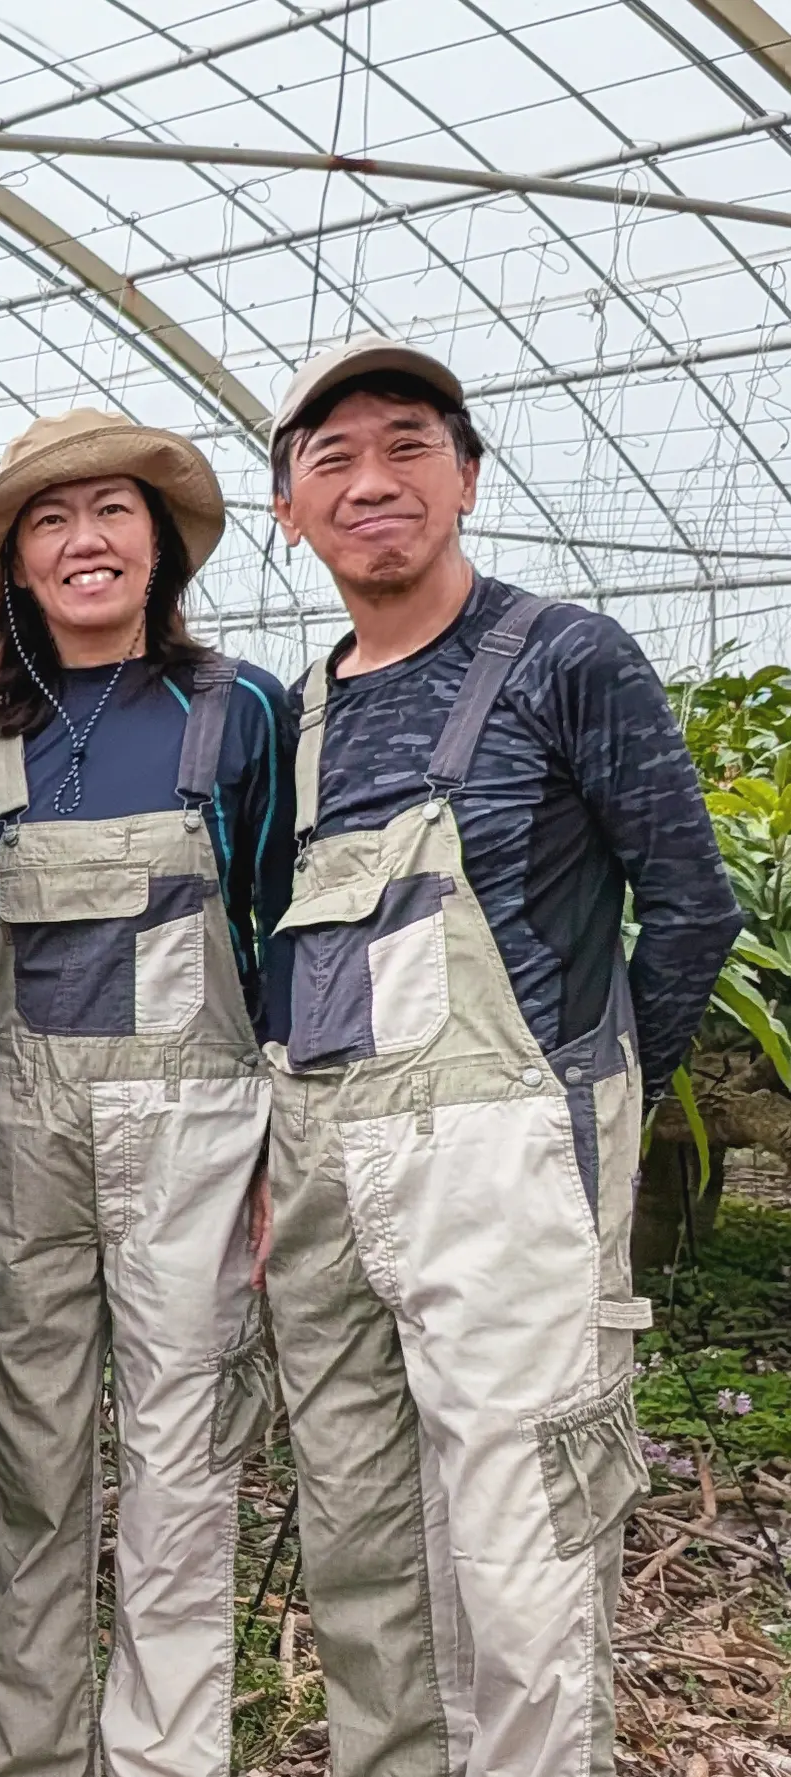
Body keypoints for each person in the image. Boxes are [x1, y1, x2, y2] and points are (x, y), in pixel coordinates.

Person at [262, 337, 740, 1777]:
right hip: (331, 1152)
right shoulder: (306, 707)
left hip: (506, 1148)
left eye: (406, 444)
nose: (371, 480)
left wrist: (585, 1094)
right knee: (358, 1529)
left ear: (467, 476)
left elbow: (691, 906)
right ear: (291, 511)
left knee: (520, 1534)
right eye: (330, 459)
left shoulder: (562, 655)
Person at [0, 410, 294, 1777]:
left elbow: (279, 934)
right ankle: (31, 1758)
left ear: (159, 545)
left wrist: (280, 1155)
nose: (83, 540)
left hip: (194, 1136)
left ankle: (163, 1760)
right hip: (21, 1143)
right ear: (16, 563)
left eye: (111, 513)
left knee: (184, 1466)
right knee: (31, 1472)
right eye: (50, 520)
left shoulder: (237, 708)